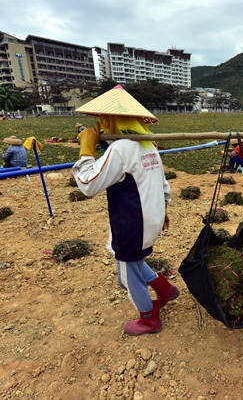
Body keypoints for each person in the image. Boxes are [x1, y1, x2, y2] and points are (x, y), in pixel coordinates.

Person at [72, 84, 178, 336]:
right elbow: (163, 184)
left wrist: (86, 147)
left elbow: (88, 184)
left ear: (109, 120)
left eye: (102, 120)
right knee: (134, 260)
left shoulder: (120, 149)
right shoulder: (148, 145)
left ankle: (149, 319)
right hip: (151, 217)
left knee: (127, 274)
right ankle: (164, 289)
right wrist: (165, 210)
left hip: (132, 223)